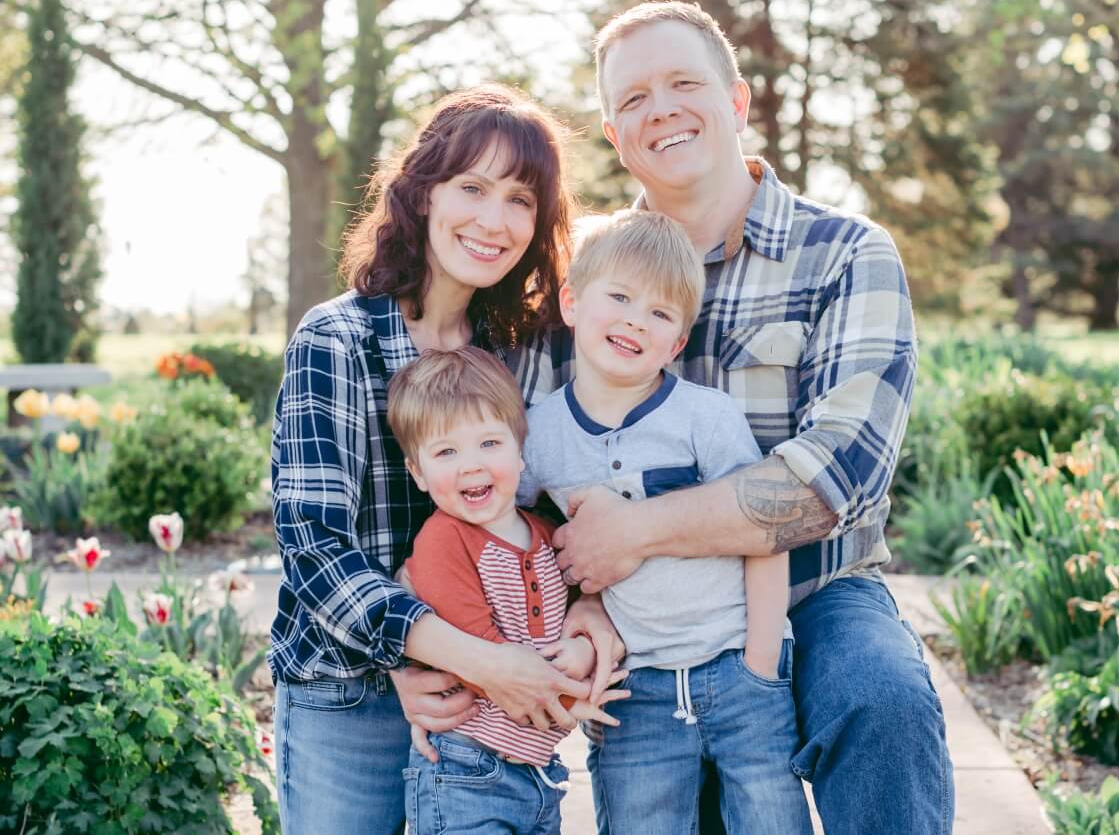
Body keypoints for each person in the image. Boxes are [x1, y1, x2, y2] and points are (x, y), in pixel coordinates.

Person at [510, 2, 954, 834]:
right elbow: (517, 460)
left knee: (883, 700)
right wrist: (577, 595)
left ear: (738, 100)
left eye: (684, 82)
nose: (662, 109)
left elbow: (834, 481)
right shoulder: (581, 274)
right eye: (634, 99)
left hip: (812, 585)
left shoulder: (847, 253)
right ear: (614, 134)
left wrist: (635, 531)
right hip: (638, 604)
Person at [269, 84, 622, 835]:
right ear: (424, 193)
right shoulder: (336, 342)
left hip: (489, 714)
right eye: (473, 188)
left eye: (521, 200)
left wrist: (588, 610)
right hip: (351, 693)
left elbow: (557, 518)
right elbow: (314, 549)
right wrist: (461, 658)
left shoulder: (521, 355)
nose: (494, 222)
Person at [518, 209, 803, 834]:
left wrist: (761, 664)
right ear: (571, 302)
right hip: (633, 687)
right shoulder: (539, 435)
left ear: (677, 343)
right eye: (618, 296)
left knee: (773, 822)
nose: (633, 320)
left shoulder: (707, 417)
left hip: (736, 666)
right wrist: (576, 612)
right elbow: (521, 531)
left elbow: (766, 532)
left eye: (659, 313)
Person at [386, 346, 628, 834]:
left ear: (521, 451)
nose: (471, 466)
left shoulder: (544, 534)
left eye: (489, 443)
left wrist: (579, 651)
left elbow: (577, 614)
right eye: (446, 451)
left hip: (538, 770)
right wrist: (569, 699)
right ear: (418, 472)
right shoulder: (443, 541)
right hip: (465, 768)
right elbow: (479, 656)